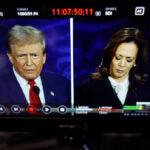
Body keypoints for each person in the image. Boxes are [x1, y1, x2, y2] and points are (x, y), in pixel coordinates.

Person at [0, 25, 70, 114]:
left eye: (34, 55)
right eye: (22, 56)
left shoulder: (63, 85)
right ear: (11, 57)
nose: (29, 63)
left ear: (44, 57)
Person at [75, 27, 150, 108]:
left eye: (129, 60)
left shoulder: (145, 90)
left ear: (135, 61)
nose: (122, 64)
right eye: (118, 57)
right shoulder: (85, 89)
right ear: (109, 55)